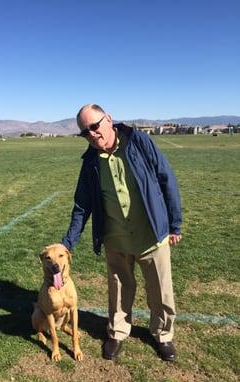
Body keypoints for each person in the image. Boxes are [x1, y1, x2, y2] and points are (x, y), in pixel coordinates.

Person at [61, 104, 182, 362]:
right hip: (115, 237)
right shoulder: (90, 162)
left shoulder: (139, 142)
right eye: (85, 132)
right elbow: (82, 204)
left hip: (151, 233)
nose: (92, 134)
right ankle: (117, 332)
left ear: (109, 119)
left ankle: (162, 334)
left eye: (95, 126)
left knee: (160, 289)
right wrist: (68, 242)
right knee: (118, 288)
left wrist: (175, 224)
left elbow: (166, 178)